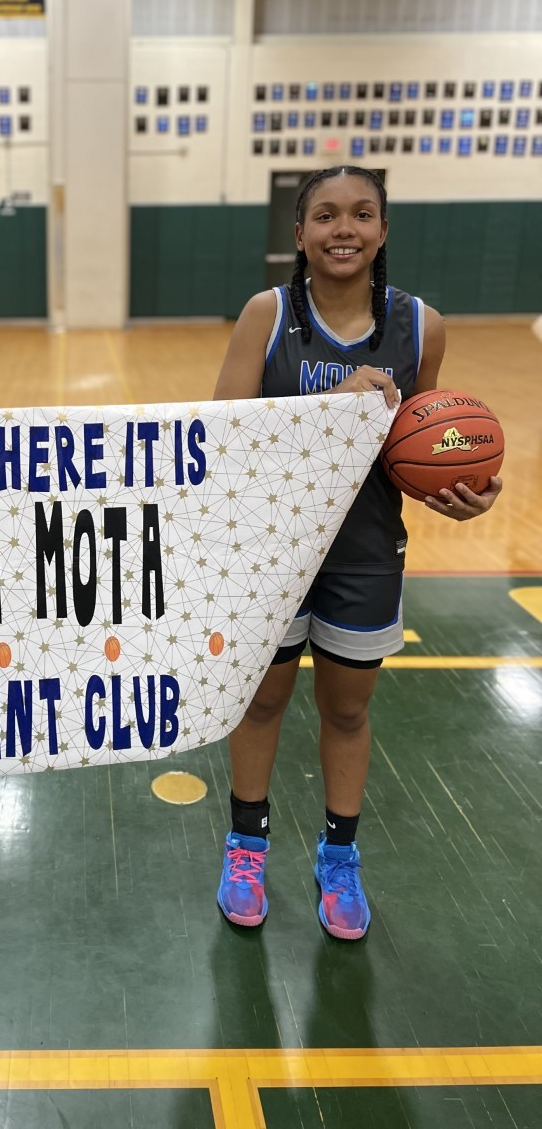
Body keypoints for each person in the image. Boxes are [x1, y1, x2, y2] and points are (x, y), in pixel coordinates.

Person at [213, 165, 502, 939]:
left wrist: (463, 486)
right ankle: (246, 843)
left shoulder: (421, 327)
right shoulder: (265, 316)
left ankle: (339, 856)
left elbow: (420, 443)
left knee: (347, 711)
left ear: (383, 230)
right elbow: (218, 444)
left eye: (363, 214)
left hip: (366, 550)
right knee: (262, 699)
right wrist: (319, 412)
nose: (345, 228)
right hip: (270, 551)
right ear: (299, 233)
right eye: (327, 215)